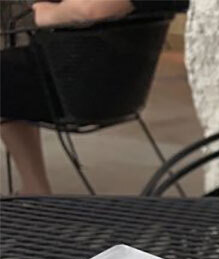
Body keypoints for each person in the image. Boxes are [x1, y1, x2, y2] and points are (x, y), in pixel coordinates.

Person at [1, 0, 175, 194]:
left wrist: (47, 12)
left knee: (8, 77)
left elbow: (91, 11)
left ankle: (35, 186)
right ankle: (34, 185)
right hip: (122, 85)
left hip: (75, 90)